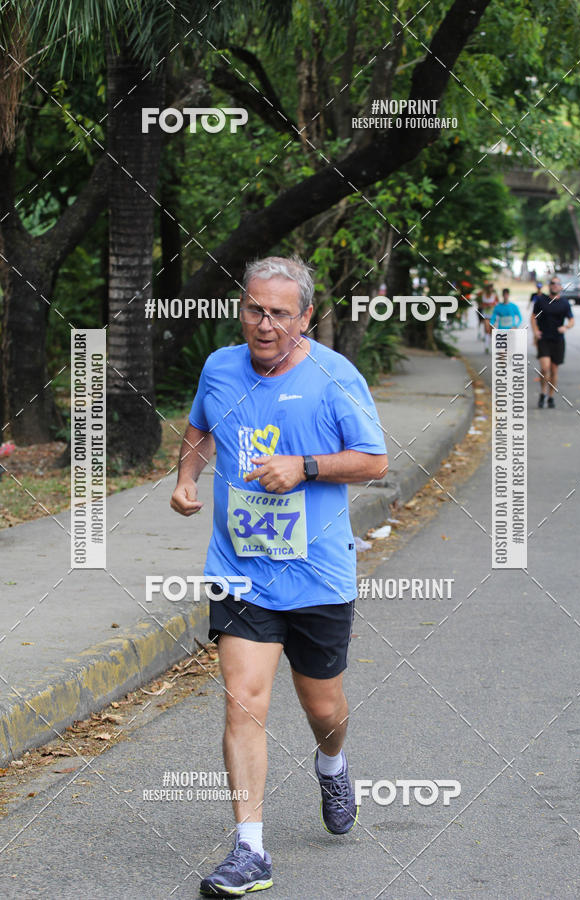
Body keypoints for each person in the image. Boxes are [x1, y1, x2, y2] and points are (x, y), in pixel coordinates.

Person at [170, 256, 388, 897]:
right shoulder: (220, 367)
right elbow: (200, 428)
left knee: (323, 706)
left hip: (318, 575)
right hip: (240, 569)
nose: (264, 325)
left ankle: (332, 763)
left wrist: (305, 467)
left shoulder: (335, 377)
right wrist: (186, 478)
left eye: (280, 314)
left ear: (307, 317)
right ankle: (250, 849)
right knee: (244, 699)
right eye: (254, 310)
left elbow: (374, 461)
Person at [531, 276, 574, 408]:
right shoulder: (541, 300)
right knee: (545, 368)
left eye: (557, 284)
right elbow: (533, 317)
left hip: (558, 340)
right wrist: (535, 331)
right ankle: (542, 393)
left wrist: (566, 327)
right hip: (544, 338)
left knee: (554, 370)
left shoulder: (565, 303)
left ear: (561, 287)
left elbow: (571, 320)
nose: (555, 285)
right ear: (549, 286)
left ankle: (550, 396)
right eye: (552, 283)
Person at [476, 283, 498, 351]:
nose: (490, 289)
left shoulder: (494, 295)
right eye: (489, 288)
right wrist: (485, 306)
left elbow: (497, 303)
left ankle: (491, 344)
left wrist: (492, 305)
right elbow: (479, 304)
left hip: (493, 315)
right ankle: (486, 346)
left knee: (492, 330)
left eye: (491, 288)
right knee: (487, 329)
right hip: (485, 315)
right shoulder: (482, 295)